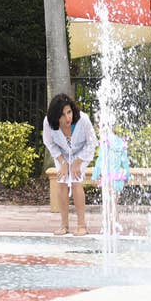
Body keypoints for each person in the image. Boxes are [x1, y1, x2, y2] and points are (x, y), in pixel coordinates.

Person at [42, 93, 94, 236]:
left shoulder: (83, 120)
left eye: (69, 112)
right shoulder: (48, 122)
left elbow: (91, 143)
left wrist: (78, 162)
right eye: (63, 115)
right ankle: (64, 225)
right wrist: (62, 162)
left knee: (76, 180)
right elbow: (49, 143)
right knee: (62, 181)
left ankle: (82, 225)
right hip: (62, 155)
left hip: (81, 154)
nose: (67, 118)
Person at [90, 128, 131, 231]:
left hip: (108, 178)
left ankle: (109, 225)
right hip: (118, 178)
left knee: (108, 202)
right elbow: (125, 161)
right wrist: (127, 176)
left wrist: (95, 176)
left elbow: (100, 161)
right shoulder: (121, 143)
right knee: (114, 203)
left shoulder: (105, 143)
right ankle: (115, 223)